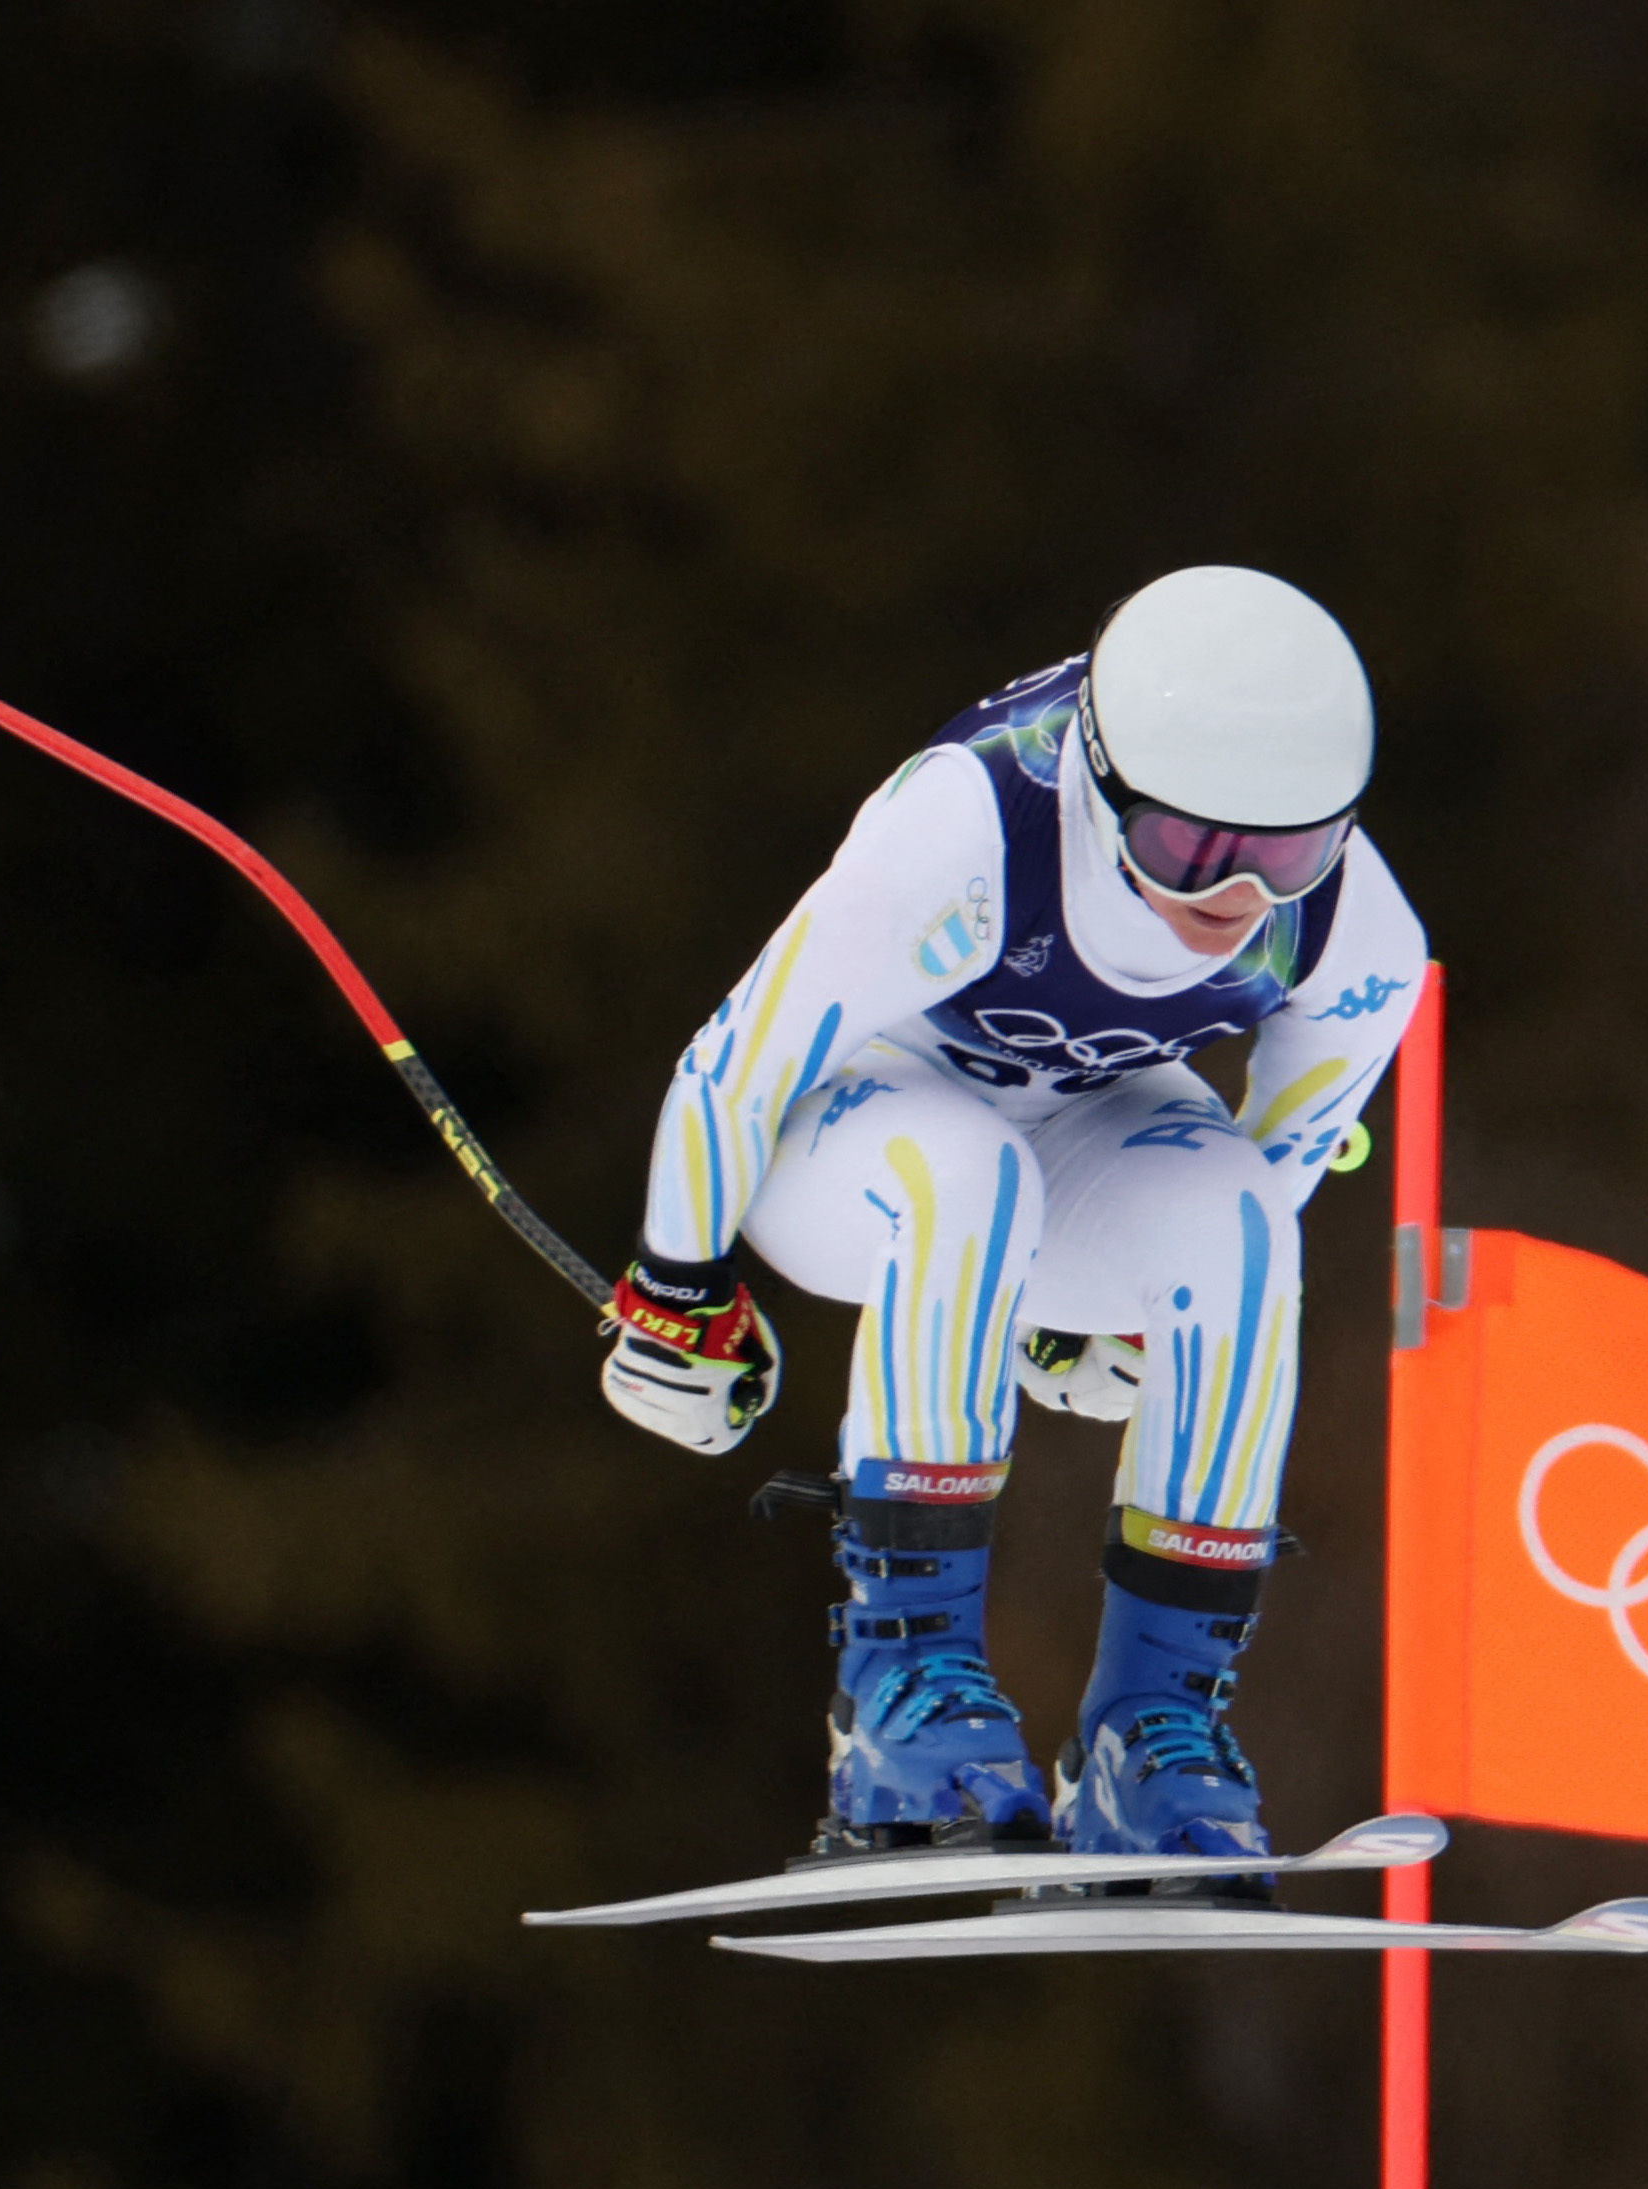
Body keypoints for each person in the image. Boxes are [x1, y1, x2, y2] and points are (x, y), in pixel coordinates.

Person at [596, 566, 1426, 1863]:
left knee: (1251, 1234)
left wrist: (1140, 1326)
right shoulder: (970, 829)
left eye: (1288, 853)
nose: (1238, 896)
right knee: (965, 1182)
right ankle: (901, 1703)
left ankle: (1150, 1735)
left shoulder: (1355, 935)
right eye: (1190, 848)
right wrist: (680, 1289)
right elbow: (738, 1061)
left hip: (1085, 1117)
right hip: (856, 1111)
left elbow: (1275, 1166)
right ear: (1102, 788)